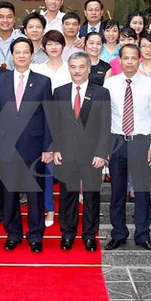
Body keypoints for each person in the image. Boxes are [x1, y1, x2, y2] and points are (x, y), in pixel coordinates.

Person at [0, 38, 52, 253]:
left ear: (32, 54)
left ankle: (35, 235)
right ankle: (13, 233)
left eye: (26, 51)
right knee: (9, 193)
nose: (22, 55)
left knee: (34, 194)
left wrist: (48, 148)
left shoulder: (43, 81)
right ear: (12, 55)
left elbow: (48, 117)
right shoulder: (2, 81)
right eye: (18, 52)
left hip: (34, 146)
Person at [48, 52, 111, 252]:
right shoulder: (59, 92)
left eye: (81, 66)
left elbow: (105, 125)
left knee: (92, 195)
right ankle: (67, 234)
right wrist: (55, 149)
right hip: (66, 154)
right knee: (68, 195)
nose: (77, 71)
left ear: (89, 69)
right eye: (73, 66)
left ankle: (89, 235)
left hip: (92, 155)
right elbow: (54, 124)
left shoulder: (101, 93)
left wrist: (102, 153)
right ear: (69, 68)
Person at [103, 44, 151, 251]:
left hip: (141, 142)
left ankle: (142, 234)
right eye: (125, 58)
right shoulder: (109, 84)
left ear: (139, 60)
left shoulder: (149, 84)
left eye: (133, 58)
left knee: (142, 191)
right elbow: (104, 116)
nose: (129, 62)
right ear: (119, 60)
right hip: (117, 141)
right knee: (117, 191)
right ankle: (118, 233)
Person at [30, 29, 70, 227]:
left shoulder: (71, 68)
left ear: (63, 46)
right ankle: (50, 209)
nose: (53, 47)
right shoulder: (37, 69)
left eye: (57, 43)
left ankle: (67, 208)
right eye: (49, 44)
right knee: (46, 167)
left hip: (69, 124)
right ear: (44, 48)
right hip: (44, 125)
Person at [0, 1, 24, 68]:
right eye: (1, 17)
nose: (5, 20)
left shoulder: (23, 40)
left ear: (14, 19)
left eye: (9, 17)